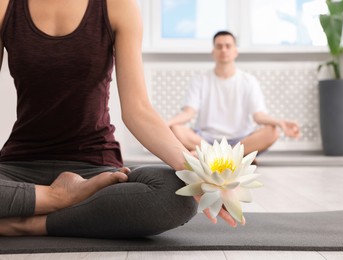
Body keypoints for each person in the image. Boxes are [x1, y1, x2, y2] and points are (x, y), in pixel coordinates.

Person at [0, 0, 238, 238]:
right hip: (19, 167)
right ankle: (57, 198)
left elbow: (138, 110)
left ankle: (28, 223)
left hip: (95, 172)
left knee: (176, 195)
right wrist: (55, 195)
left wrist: (196, 172)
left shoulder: (117, 6)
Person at [167, 31, 300, 156]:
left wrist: (280, 122)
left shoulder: (249, 81)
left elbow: (258, 116)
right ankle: (235, 157)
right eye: (219, 46)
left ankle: (212, 156)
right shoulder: (200, 80)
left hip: (241, 140)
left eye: (228, 46)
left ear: (235, 51)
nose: (223, 50)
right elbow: (188, 113)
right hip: (205, 139)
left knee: (272, 131)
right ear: (213, 51)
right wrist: (166, 124)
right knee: (175, 129)